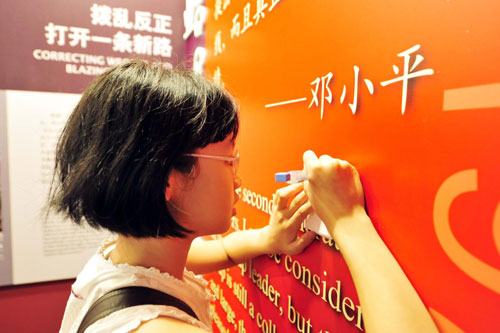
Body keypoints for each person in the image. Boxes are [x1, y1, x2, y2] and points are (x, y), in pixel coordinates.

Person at [52, 59, 438, 333]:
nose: (239, 180)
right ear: (166, 180)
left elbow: (201, 256)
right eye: (228, 160)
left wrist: (266, 239)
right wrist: (349, 222)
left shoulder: (126, 258)